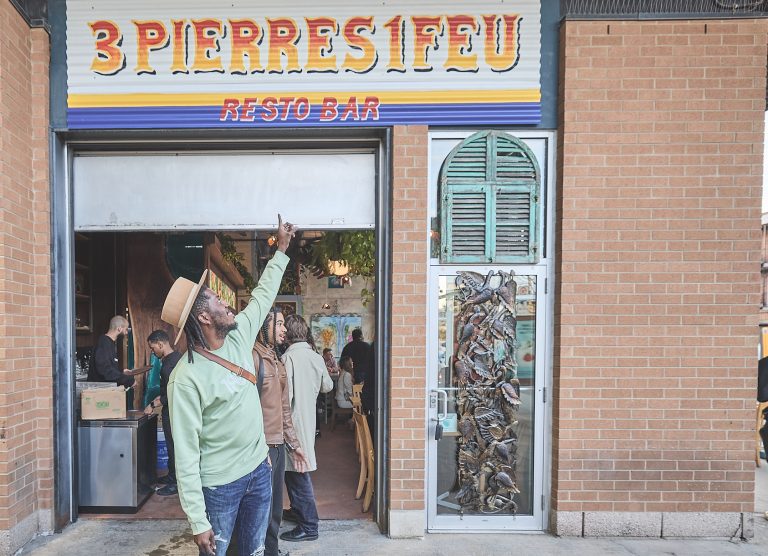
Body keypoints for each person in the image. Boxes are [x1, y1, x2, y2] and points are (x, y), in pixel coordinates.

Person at [164, 214, 295, 556]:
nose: (225, 303)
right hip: (218, 487)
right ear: (204, 318)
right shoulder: (186, 379)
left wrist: (281, 248)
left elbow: (263, 296)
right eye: (217, 301)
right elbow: (186, 455)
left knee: (254, 551)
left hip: (258, 472)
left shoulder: (238, 339)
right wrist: (197, 519)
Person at [253, 307, 309, 556]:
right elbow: (247, 409)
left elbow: (284, 407)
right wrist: (256, 446)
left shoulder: (276, 358)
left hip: (276, 445)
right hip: (260, 447)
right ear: (264, 327)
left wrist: (294, 443)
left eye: (284, 324)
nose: (284, 329)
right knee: (259, 509)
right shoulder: (252, 357)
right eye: (279, 324)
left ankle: (271, 552)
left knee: (275, 509)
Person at [280, 315, 333, 543]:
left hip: (292, 425)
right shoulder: (315, 356)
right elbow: (327, 386)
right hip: (309, 423)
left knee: (297, 475)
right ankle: (297, 511)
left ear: (288, 334)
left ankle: (309, 526)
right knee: (295, 474)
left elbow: (285, 397)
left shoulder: (287, 358)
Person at [143, 330, 182, 496]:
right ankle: (172, 475)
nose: (153, 352)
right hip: (172, 411)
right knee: (172, 445)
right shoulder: (175, 359)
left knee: (174, 447)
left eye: (153, 348)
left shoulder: (169, 365)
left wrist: (153, 404)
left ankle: (176, 483)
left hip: (175, 413)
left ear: (161, 344)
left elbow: (174, 392)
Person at [88, 315, 135, 389]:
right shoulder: (104, 343)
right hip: (99, 393)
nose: (126, 333)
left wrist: (121, 372)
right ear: (119, 329)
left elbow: (108, 366)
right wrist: (128, 380)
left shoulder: (108, 343)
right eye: (126, 330)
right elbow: (104, 369)